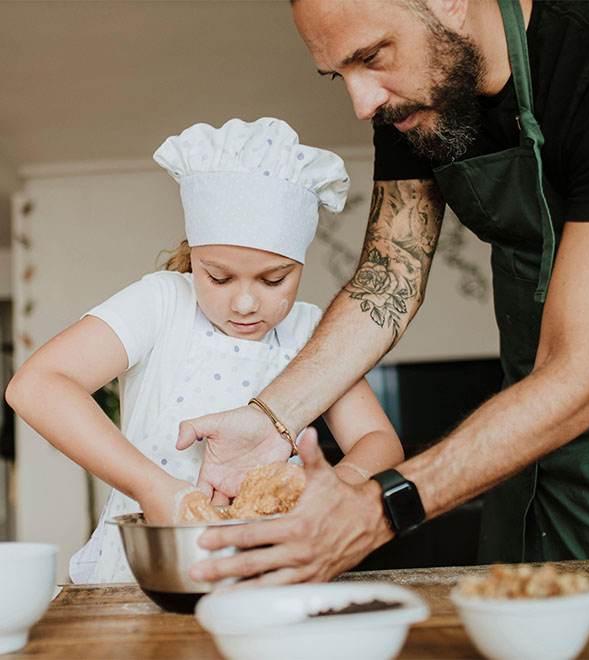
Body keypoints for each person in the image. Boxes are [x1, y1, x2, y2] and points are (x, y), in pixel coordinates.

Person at [175, 0, 589, 589]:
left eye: (372, 57)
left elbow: (581, 375)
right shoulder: (413, 104)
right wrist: (269, 419)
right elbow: (389, 279)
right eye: (340, 75)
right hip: (517, 437)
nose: (362, 104)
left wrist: (383, 506)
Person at [4, 117, 403, 583]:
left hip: (273, 567)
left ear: (299, 264)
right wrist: (152, 487)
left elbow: (380, 443)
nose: (246, 303)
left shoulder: (312, 332)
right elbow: (35, 387)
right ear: (193, 258)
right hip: (147, 571)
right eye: (218, 277)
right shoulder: (163, 303)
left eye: (275, 279)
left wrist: (329, 486)